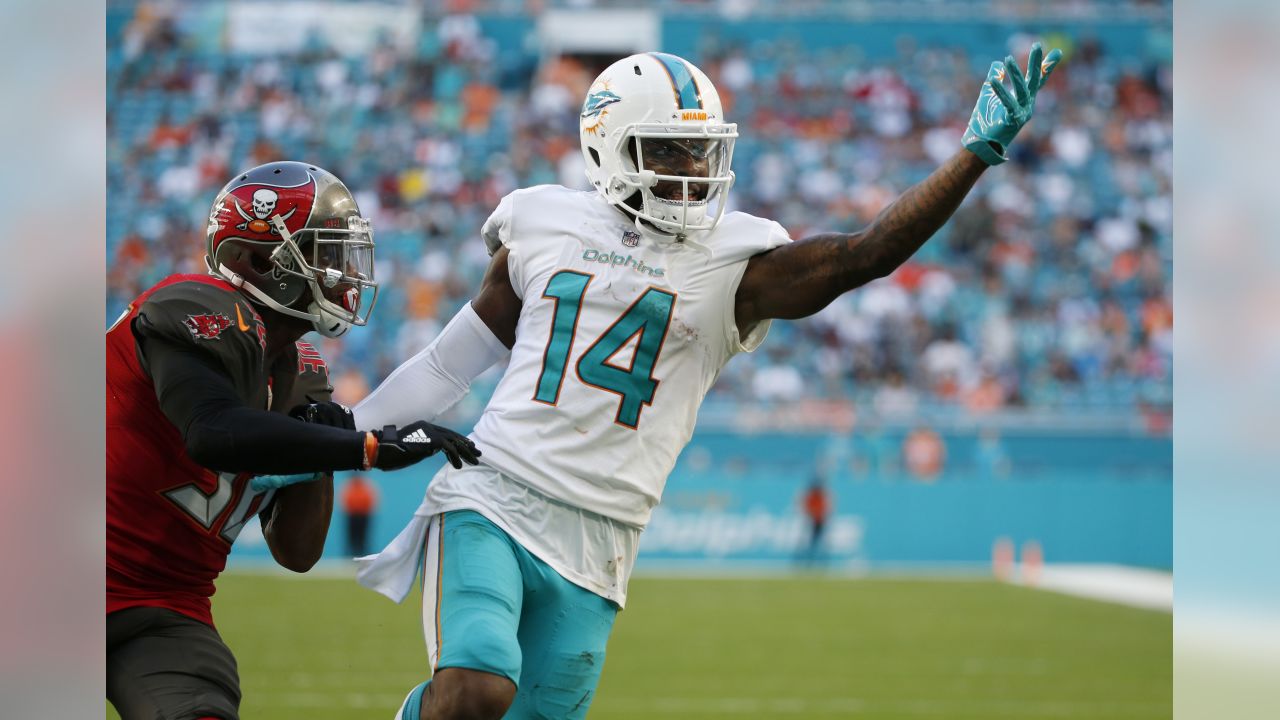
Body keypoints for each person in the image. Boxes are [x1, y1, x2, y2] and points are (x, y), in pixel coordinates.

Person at [353, 47, 1062, 720]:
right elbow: (450, 364)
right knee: (476, 688)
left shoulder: (735, 263)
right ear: (609, 147)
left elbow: (863, 255)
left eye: (700, 148)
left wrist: (973, 157)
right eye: (665, 148)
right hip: (494, 495)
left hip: (603, 539)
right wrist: (338, 438)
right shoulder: (544, 222)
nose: (690, 166)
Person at [106, 161, 481, 720]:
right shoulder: (195, 304)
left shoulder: (301, 370)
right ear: (257, 260)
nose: (343, 272)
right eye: (325, 253)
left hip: (167, 606)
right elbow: (214, 430)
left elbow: (297, 551)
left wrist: (320, 448)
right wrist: (367, 447)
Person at [341, 473, 380, 557]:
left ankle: (364, 555)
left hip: (363, 516)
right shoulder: (349, 487)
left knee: (363, 537)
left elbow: (372, 500)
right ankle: (350, 556)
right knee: (351, 537)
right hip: (352, 515)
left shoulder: (366, 487)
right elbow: (344, 501)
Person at [799, 475, 832, 566]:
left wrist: (820, 515)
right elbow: (806, 507)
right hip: (812, 521)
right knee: (809, 542)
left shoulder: (821, 496)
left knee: (821, 542)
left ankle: (821, 561)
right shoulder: (812, 496)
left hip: (819, 521)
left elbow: (826, 509)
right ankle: (808, 560)